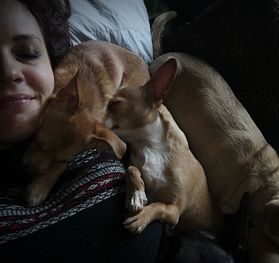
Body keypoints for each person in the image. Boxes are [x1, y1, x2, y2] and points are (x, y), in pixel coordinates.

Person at [0, 0, 163, 262]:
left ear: (51, 61)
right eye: (41, 146)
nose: (8, 72)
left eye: (28, 53)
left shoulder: (96, 144)